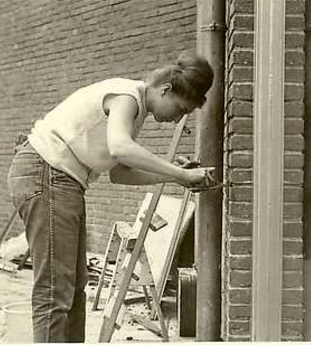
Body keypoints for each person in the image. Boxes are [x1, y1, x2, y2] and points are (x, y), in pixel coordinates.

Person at [7, 53, 215, 343]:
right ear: (166, 89)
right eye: (181, 109)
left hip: (62, 180)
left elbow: (121, 174)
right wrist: (179, 174)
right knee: (56, 289)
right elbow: (120, 148)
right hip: (45, 172)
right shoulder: (127, 96)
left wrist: (172, 174)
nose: (178, 118)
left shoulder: (135, 111)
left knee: (75, 287)